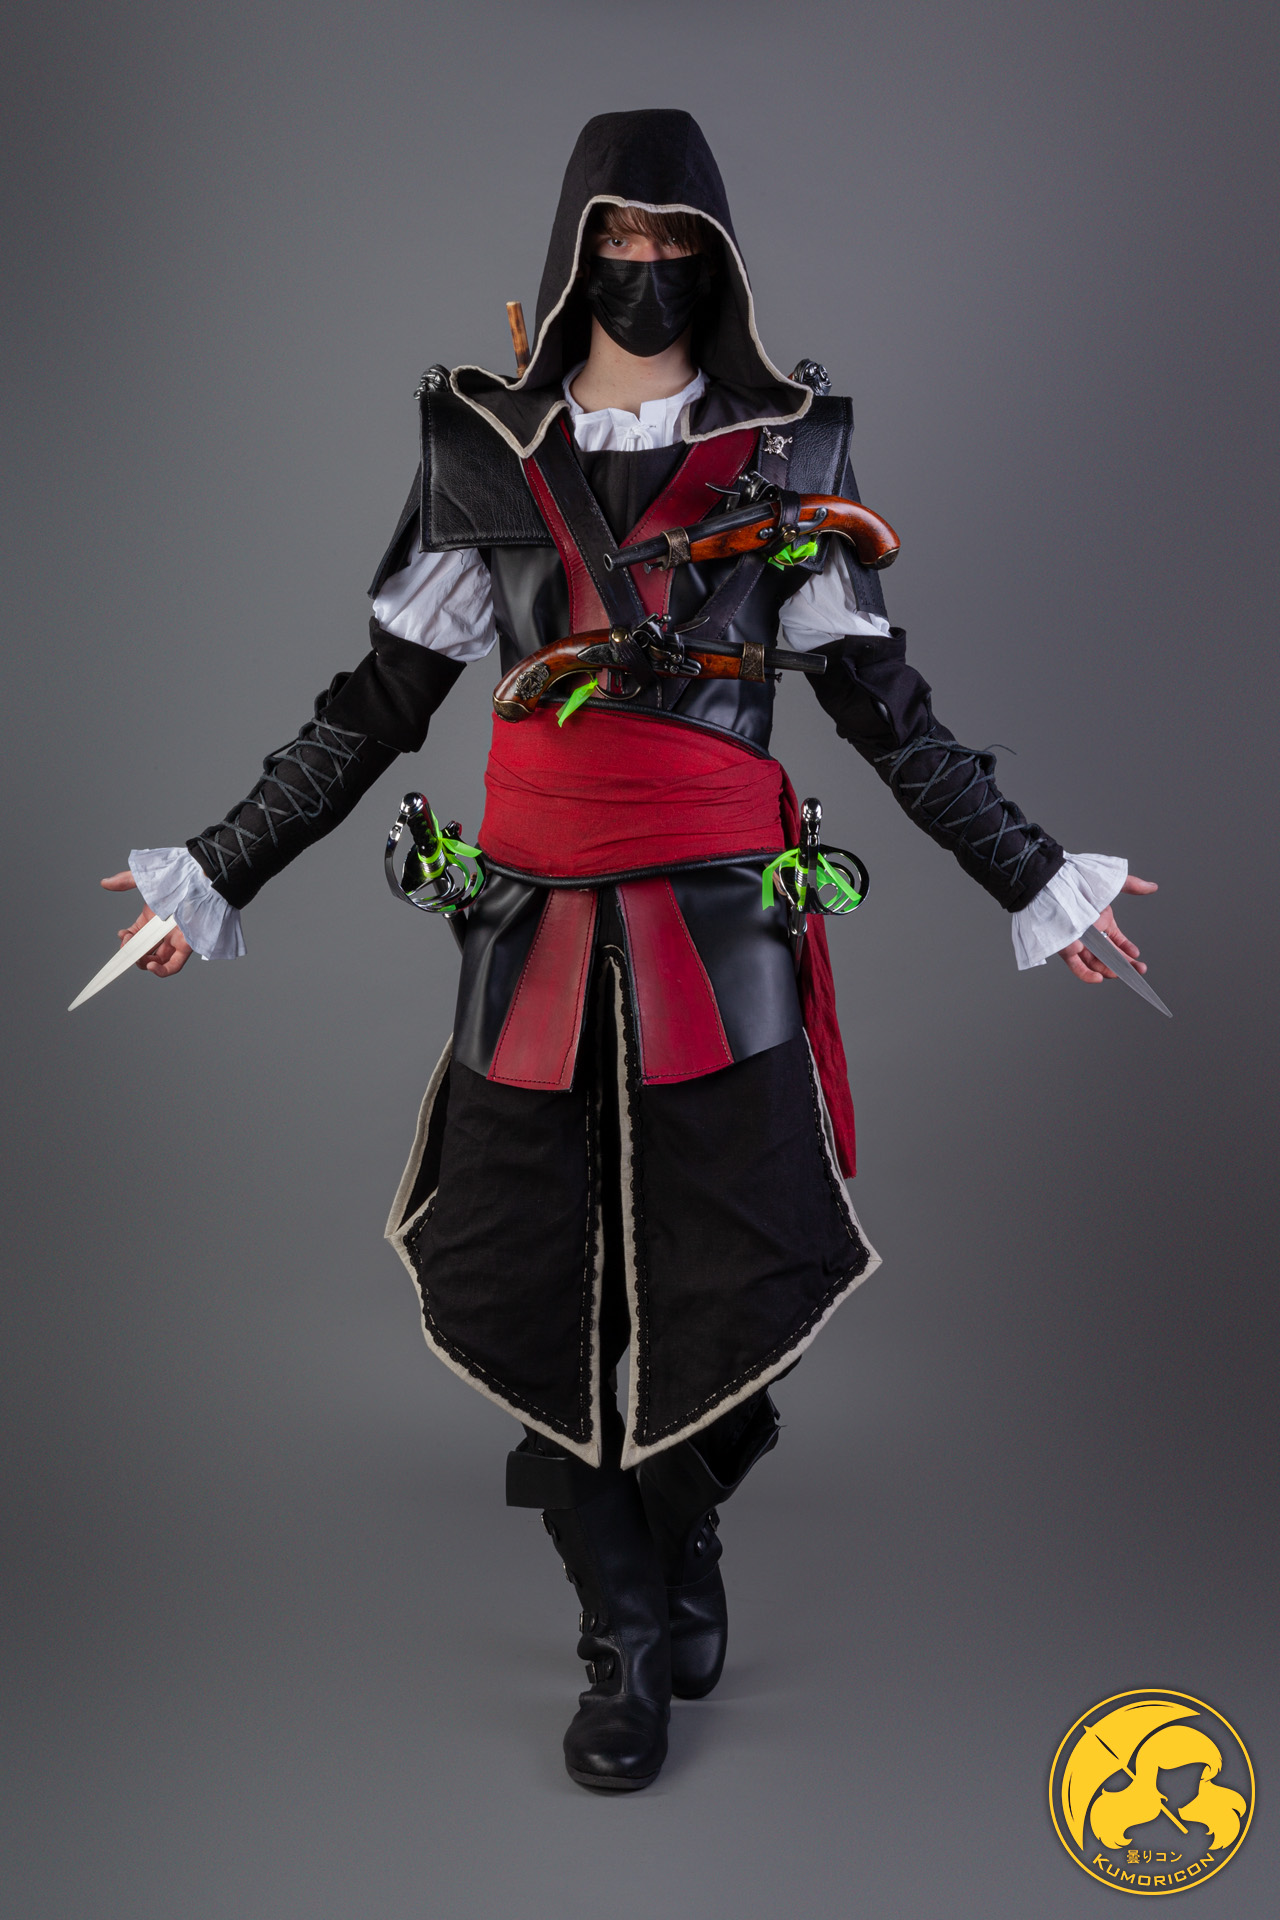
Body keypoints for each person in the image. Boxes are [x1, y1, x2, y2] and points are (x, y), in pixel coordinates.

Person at [100, 110, 1156, 1792]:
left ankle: (684, 1515)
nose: (645, 271)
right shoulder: (479, 454)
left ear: (715, 259)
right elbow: (375, 708)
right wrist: (215, 871)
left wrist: (1037, 877)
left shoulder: (787, 453)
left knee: (735, 1275)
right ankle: (625, 1632)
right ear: (573, 251)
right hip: (528, 933)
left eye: (674, 244)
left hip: (719, 943)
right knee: (526, 1279)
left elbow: (885, 708)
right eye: (618, 241)